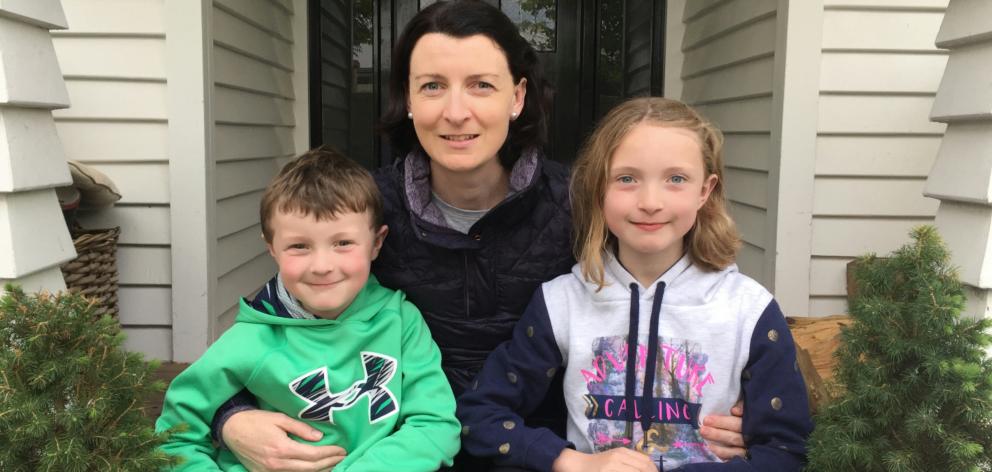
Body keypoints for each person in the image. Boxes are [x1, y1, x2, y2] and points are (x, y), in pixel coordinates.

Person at [213, 2, 746, 470]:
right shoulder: (363, 209)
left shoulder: (581, 203)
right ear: (409, 100)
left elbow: (678, 293)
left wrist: (740, 403)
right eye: (432, 86)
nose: (456, 111)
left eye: (481, 86)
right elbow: (278, 318)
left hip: (549, 451)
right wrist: (231, 418)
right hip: (391, 449)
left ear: (517, 98)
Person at [456, 97, 812, 471]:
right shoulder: (563, 301)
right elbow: (479, 414)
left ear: (705, 191)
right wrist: (571, 461)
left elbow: (788, 450)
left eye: (676, 179)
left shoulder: (748, 310)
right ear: (599, 189)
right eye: (627, 178)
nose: (650, 202)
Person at [155, 148, 461, 471]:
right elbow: (174, 439)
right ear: (271, 247)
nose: (322, 266)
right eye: (299, 246)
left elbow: (435, 425)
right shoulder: (251, 340)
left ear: (377, 243)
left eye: (343, 243)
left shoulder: (401, 322)